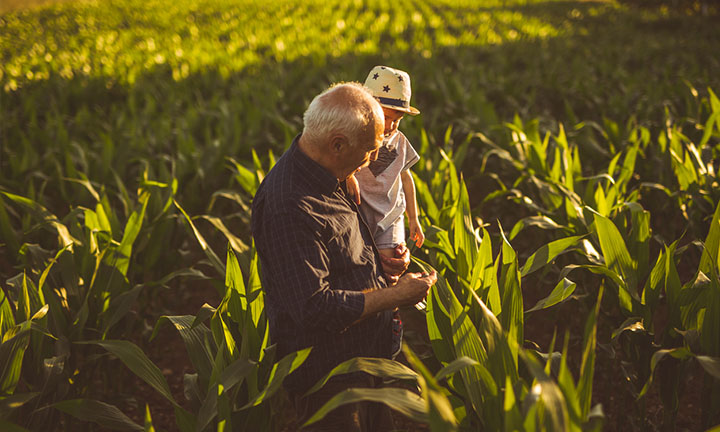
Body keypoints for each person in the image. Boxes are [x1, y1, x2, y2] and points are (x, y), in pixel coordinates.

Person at [250, 82, 437, 431]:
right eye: (369, 151)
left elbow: (340, 253)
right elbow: (313, 307)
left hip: (365, 365)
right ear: (337, 145)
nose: (371, 160)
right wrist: (398, 295)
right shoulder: (289, 207)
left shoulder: (332, 172)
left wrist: (379, 265)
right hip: (331, 383)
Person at [347, 65, 425, 257]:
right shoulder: (355, 135)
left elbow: (406, 178)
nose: (390, 126)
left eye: (397, 120)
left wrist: (413, 218)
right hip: (359, 214)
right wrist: (349, 175)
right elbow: (338, 164)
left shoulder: (399, 142)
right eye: (385, 117)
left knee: (390, 262)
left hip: (390, 216)